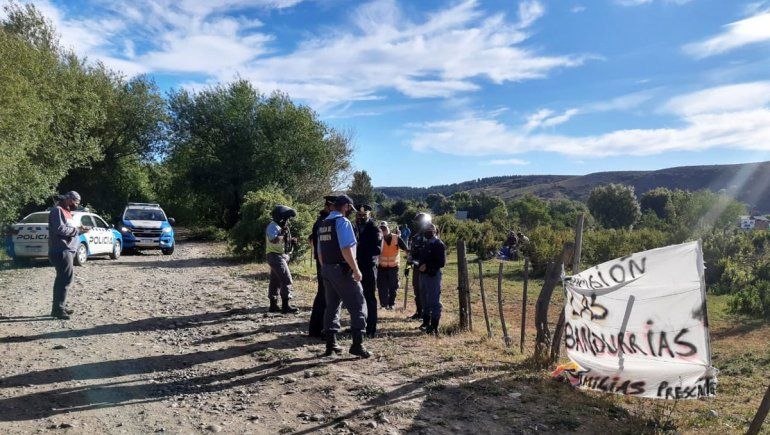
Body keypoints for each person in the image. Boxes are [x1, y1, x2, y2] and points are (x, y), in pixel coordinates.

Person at [317, 194, 370, 358]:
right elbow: (346, 248)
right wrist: (356, 269)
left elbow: (319, 251)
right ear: (346, 206)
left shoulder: (324, 223)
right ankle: (357, 345)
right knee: (358, 304)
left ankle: (330, 344)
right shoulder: (343, 222)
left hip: (326, 268)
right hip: (342, 269)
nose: (351, 212)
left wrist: (325, 267)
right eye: (350, 209)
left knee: (332, 306)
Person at [48, 191, 90, 320]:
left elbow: (67, 228)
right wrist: (77, 230)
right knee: (64, 279)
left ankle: (60, 306)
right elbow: (59, 229)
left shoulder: (66, 212)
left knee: (64, 279)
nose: (76, 205)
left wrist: (78, 228)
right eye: (75, 202)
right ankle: (58, 309)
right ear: (68, 199)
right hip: (61, 250)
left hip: (67, 250)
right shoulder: (58, 211)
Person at [308, 195, 338, 339]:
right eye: (335, 206)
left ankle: (316, 328)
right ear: (329, 206)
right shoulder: (324, 222)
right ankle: (321, 329)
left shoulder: (321, 221)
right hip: (325, 263)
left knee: (323, 295)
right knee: (326, 296)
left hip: (323, 262)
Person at [353, 204, 383, 338]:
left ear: (369, 215)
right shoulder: (355, 227)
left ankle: (371, 328)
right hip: (356, 266)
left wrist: (360, 247)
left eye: (364, 215)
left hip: (368, 267)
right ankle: (359, 325)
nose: (361, 217)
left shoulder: (374, 229)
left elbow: (377, 249)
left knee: (369, 297)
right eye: (359, 215)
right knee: (357, 297)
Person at [265, 205, 299, 314]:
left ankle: (273, 306)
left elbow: (283, 241)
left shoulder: (281, 226)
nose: (288, 220)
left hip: (281, 255)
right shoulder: (273, 226)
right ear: (281, 217)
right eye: (287, 218)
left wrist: (291, 241)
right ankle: (285, 306)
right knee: (286, 279)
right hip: (275, 256)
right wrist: (282, 233)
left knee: (275, 281)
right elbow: (274, 240)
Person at [417, 223, 446, 335]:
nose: (428, 232)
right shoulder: (425, 243)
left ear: (435, 231)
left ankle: (434, 326)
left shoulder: (438, 244)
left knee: (434, 300)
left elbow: (441, 263)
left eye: (430, 230)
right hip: (423, 275)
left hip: (433, 275)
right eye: (426, 230)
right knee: (424, 300)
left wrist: (428, 266)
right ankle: (426, 322)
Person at [407, 212, 431, 325]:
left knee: (425, 292)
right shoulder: (415, 237)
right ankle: (419, 312)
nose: (416, 224)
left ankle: (427, 314)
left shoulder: (430, 236)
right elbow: (411, 255)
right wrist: (407, 267)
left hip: (427, 269)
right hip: (416, 268)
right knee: (417, 290)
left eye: (418, 222)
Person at [377, 221, 408, 310]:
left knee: (393, 286)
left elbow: (405, 249)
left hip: (393, 267)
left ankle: (391, 304)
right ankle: (383, 304)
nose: (384, 231)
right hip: (381, 267)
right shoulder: (379, 239)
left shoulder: (396, 238)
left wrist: (409, 261)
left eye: (385, 228)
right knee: (382, 286)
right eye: (381, 229)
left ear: (388, 228)